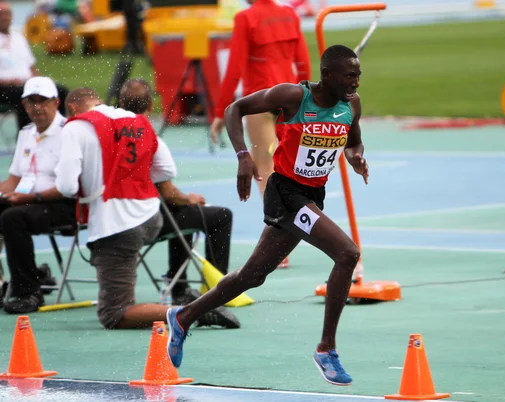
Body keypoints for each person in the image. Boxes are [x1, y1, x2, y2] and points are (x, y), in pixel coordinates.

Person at [167, 45, 369, 386]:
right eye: (350, 74)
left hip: (312, 196)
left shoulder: (351, 104)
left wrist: (356, 157)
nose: (356, 80)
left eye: (359, 74)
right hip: (286, 195)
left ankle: (184, 316)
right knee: (347, 254)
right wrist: (244, 156)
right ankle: (326, 349)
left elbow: (353, 142)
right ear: (328, 75)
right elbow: (236, 108)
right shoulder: (293, 97)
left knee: (252, 275)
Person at [55, 87, 239, 330]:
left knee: (113, 314)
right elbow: (166, 172)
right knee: (200, 218)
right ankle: (189, 290)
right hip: (151, 217)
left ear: (72, 109)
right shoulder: (139, 122)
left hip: (115, 223)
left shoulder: (75, 127)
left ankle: (192, 311)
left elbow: (66, 186)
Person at [210, 0, 311, 268]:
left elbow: (235, 68)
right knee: (292, 171)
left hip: (260, 101)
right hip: (291, 101)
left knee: (266, 172)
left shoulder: (246, 18)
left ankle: (279, 245)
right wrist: (310, 101)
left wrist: (221, 111)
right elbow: (303, 63)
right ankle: (295, 233)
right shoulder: (289, 14)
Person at [119, 78, 236, 307]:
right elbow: (169, 192)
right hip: (144, 222)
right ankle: (216, 291)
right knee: (217, 215)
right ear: (151, 107)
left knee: (180, 208)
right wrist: (188, 197)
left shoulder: (105, 138)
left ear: (120, 104)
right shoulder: (151, 140)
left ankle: (179, 284)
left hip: (112, 220)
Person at [0, 76, 76, 314]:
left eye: (43, 101)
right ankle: (6, 282)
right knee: (9, 212)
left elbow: (70, 187)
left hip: (63, 204)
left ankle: (28, 292)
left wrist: (29, 198)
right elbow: (13, 179)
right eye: (31, 102)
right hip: (27, 202)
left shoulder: (69, 133)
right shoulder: (26, 132)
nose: (37, 107)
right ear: (23, 106)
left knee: (12, 218)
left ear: (56, 102)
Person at [0, 2, 69, 133]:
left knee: (59, 90)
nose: (4, 17)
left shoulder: (18, 37)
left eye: (7, 14)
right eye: (1, 14)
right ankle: (26, 135)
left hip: (25, 82)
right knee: (25, 96)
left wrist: (42, 81)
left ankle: (58, 132)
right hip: (4, 87)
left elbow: (31, 66)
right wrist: (10, 82)